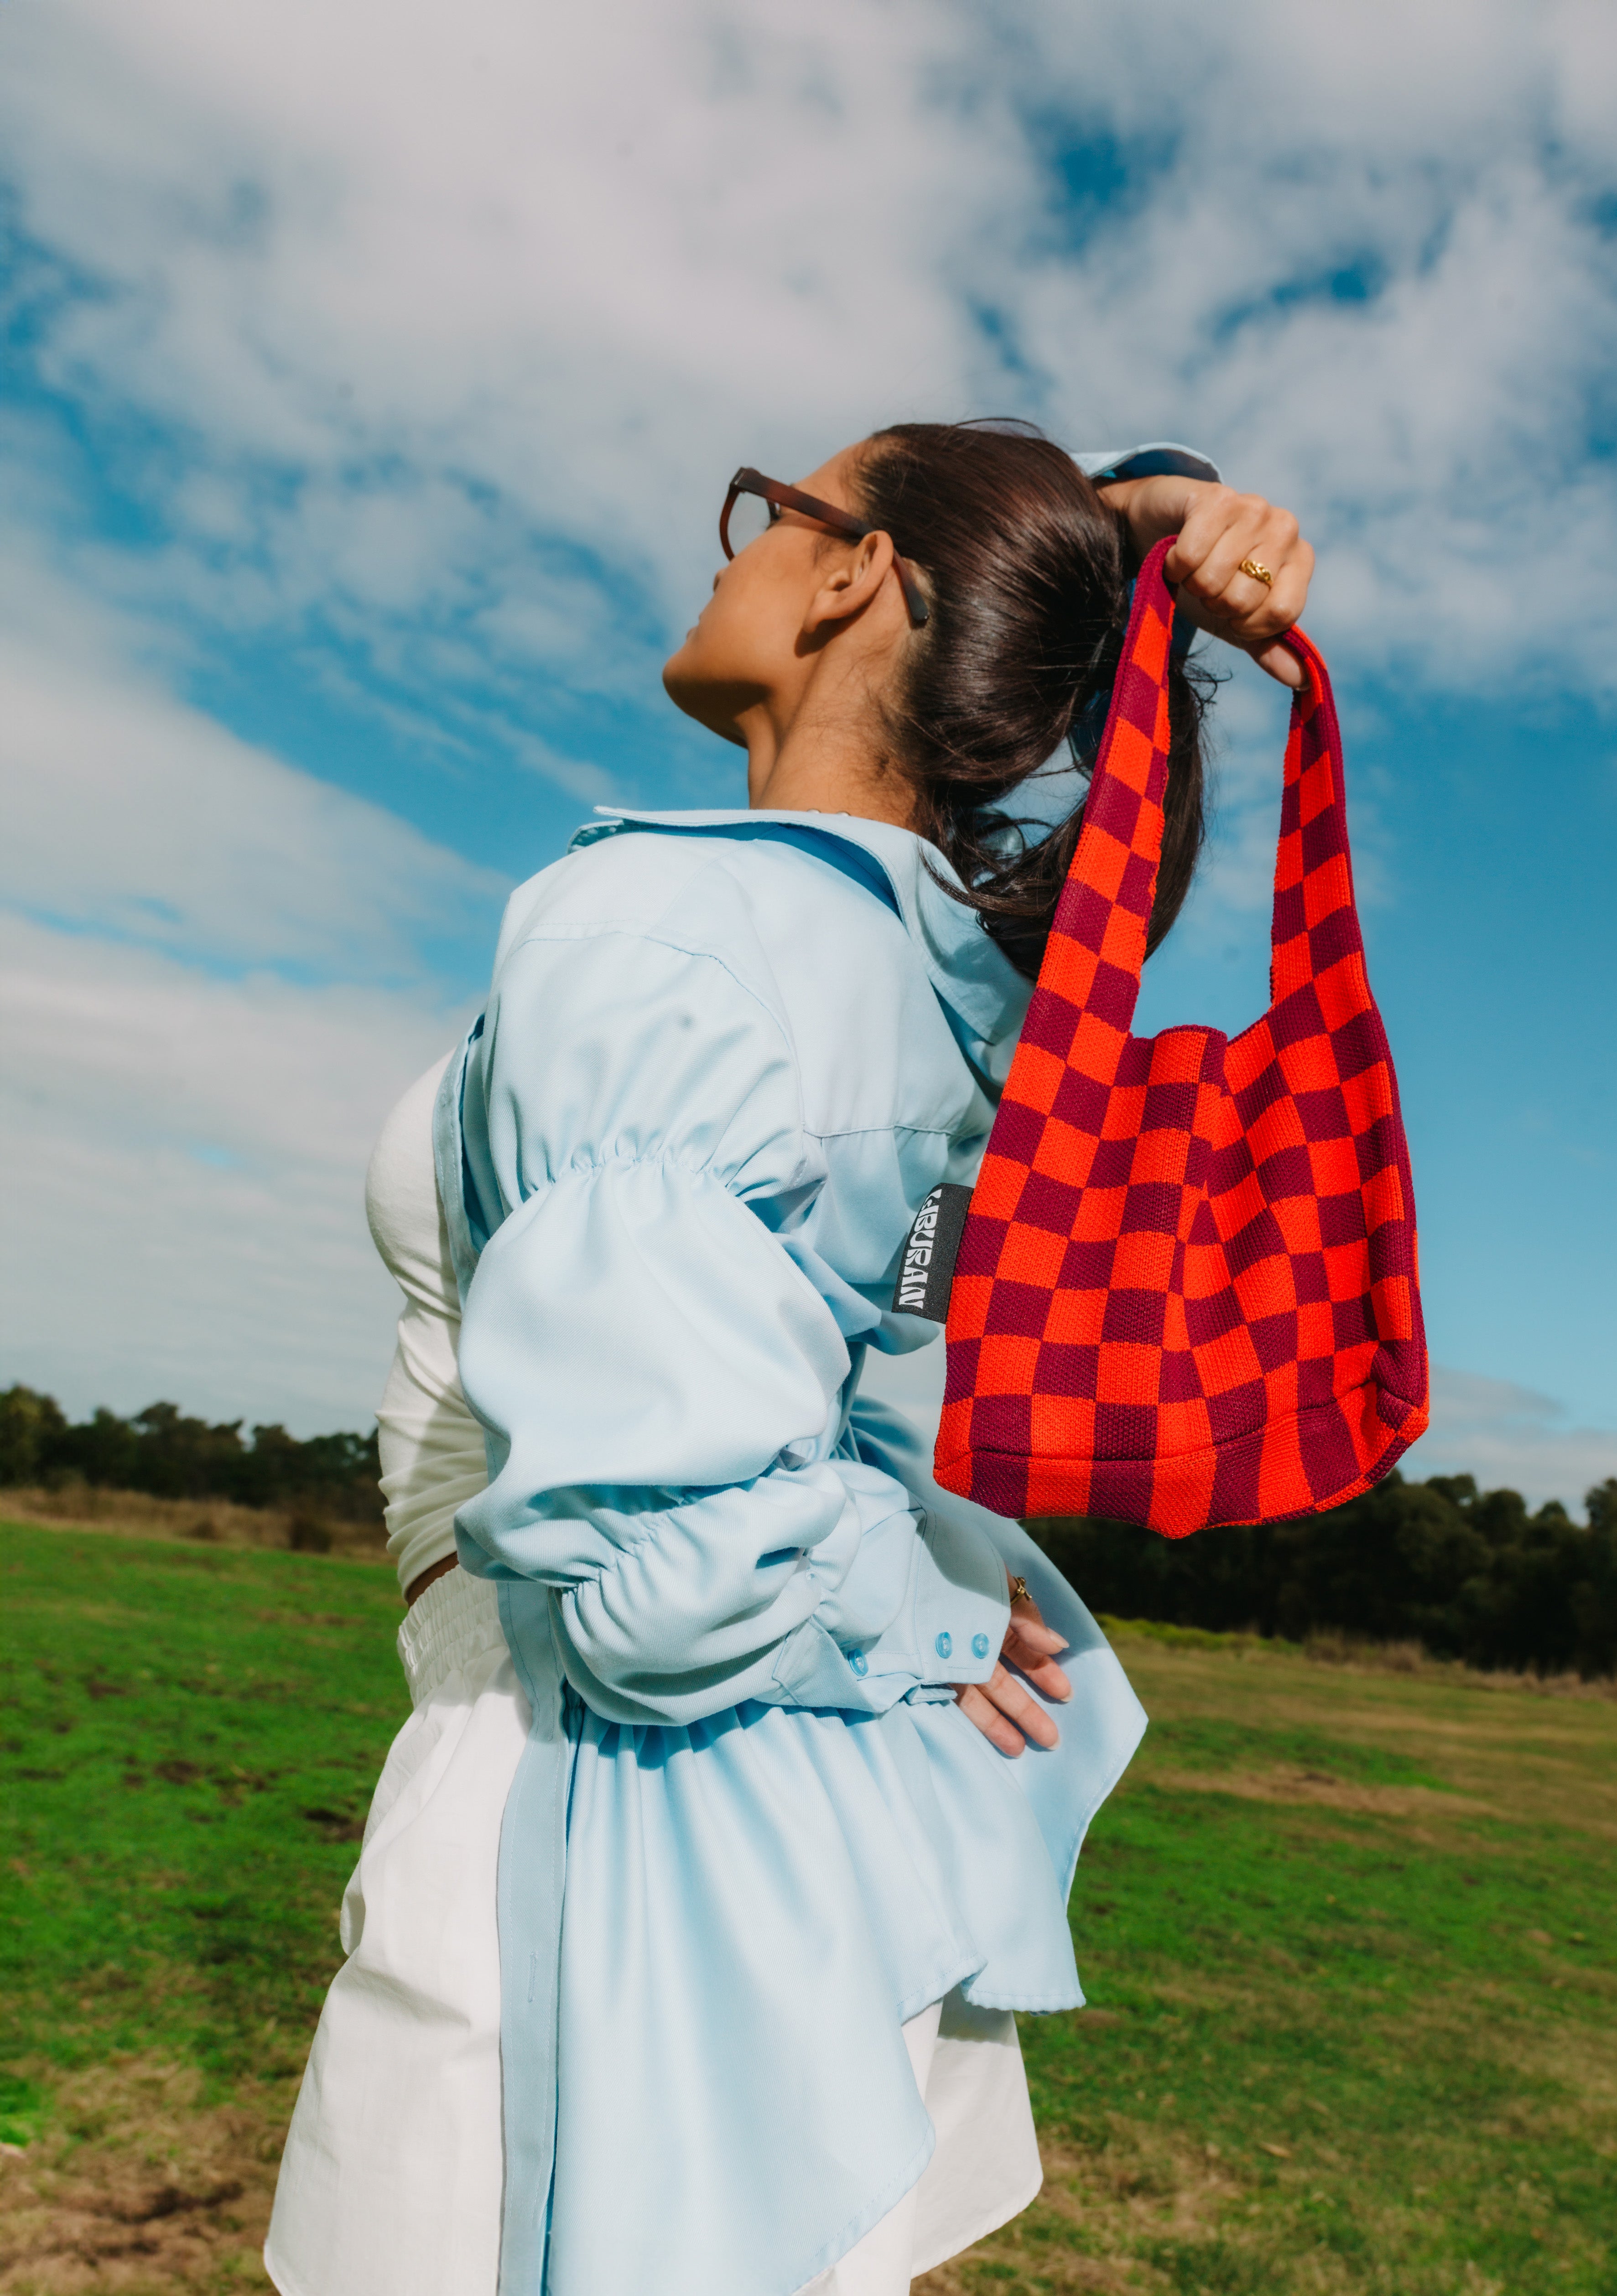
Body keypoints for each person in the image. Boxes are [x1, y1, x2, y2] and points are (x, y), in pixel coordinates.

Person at [265, 422, 1313, 2296]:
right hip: (820, 1833)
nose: (734, 542)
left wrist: (882, 1588)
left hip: (596, 1836)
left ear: (852, 574)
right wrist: (1135, 547)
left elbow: (653, 1575)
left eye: (772, 506)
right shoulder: (954, 980)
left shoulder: (664, 932)